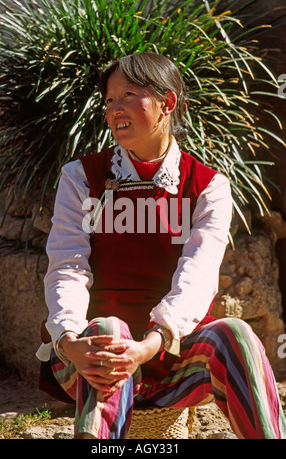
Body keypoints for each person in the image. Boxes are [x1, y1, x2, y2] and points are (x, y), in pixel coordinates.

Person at [36, 52, 286, 439]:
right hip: (90, 355)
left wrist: (152, 344)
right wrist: (70, 341)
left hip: (172, 357)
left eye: (128, 95)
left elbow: (197, 277)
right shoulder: (81, 178)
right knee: (108, 331)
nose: (114, 107)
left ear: (167, 103)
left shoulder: (207, 186)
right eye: (109, 100)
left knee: (237, 333)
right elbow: (67, 266)